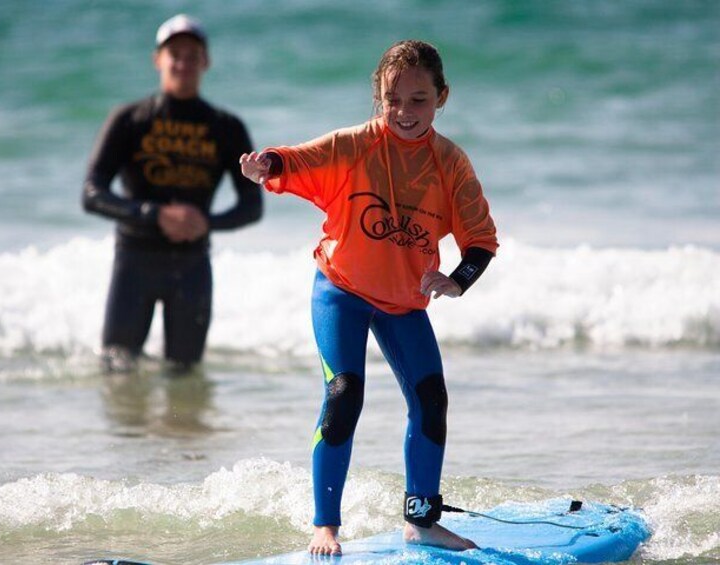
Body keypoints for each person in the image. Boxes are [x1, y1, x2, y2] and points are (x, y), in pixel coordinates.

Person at [240, 40, 498, 555]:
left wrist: (457, 278)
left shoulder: (450, 164)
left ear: (442, 97)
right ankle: (324, 526)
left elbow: (481, 240)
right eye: (392, 99)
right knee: (344, 395)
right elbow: (297, 159)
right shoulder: (355, 144)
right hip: (341, 290)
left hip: (403, 301)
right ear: (379, 97)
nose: (404, 112)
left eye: (419, 100)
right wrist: (267, 163)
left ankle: (421, 521)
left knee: (431, 400)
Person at [83, 14, 262, 370]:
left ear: (205, 62)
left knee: (185, 378)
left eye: (192, 55)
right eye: (174, 53)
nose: (183, 62)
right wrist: (154, 215)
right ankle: (125, 431)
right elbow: (92, 192)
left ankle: (177, 429)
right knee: (117, 369)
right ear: (158, 60)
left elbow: (251, 205)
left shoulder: (225, 127)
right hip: (134, 260)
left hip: (192, 264)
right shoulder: (130, 119)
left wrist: (206, 222)